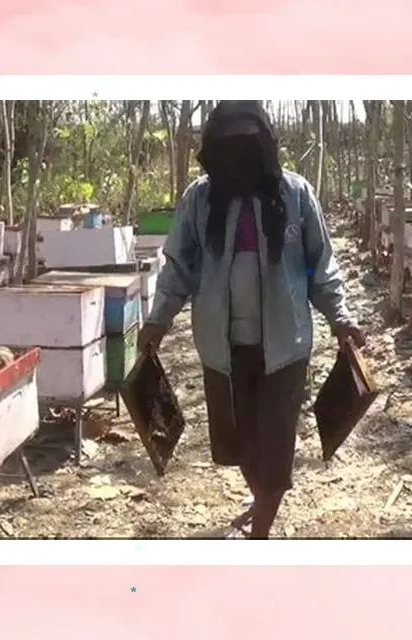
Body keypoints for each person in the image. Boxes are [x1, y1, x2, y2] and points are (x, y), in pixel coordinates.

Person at [136, 101, 364, 540]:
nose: (239, 159)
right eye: (229, 149)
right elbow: (178, 269)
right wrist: (157, 322)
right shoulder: (199, 199)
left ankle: (259, 535)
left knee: (274, 452)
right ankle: (261, 503)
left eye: (247, 147)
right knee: (239, 445)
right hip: (222, 351)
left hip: (285, 348)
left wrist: (341, 319)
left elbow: (320, 267)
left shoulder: (295, 195)